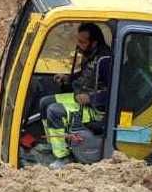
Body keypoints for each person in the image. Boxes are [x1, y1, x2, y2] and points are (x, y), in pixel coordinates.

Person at [40, 23, 111, 165]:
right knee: (44, 102)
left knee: (54, 111)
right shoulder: (91, 55)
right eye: (78, 41)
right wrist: (68, 78)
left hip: (96, 109)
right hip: (79, 97)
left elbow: (114, 92)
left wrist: (91, 98)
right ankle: (53, 143)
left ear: (94, 43)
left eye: (82, 42)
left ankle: (63, 157)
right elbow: (86, 75)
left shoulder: (105, 61)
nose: (79, 45)